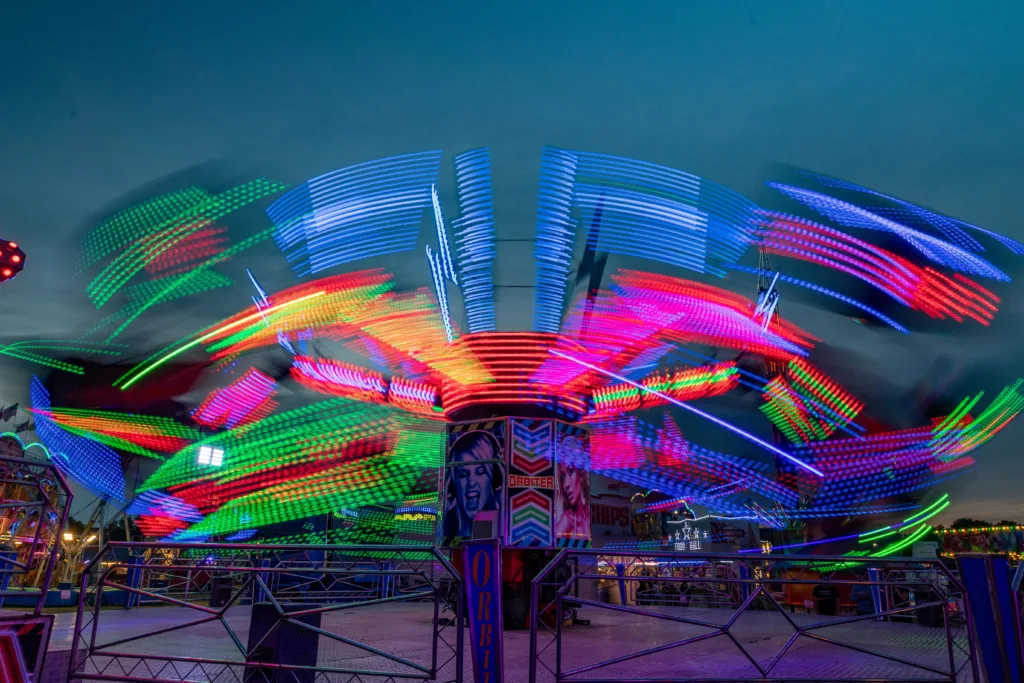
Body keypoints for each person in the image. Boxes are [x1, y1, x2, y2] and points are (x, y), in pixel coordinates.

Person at [442, 431, 502, 539]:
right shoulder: (448, 525)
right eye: (463, 474)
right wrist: (443, 508)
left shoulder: (503, 523)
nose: (471, 482)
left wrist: (504, 505)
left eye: (480, 472)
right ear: (453, 482)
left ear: (494, 478)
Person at [555, 436, 590, 539]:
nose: (566, 484)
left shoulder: (589, 512)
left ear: (580, 473)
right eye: (563, 476)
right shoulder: (567, 519)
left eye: (570, 472)